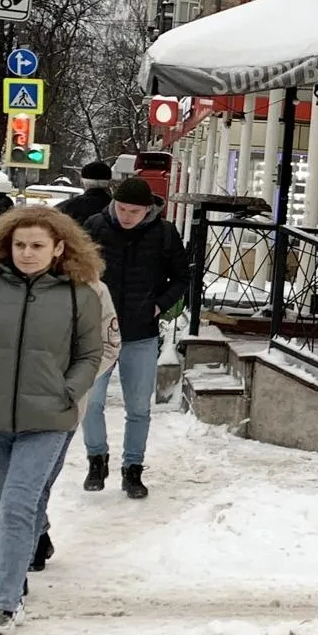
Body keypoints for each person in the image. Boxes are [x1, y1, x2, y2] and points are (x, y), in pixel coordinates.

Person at [0, 206, 105, 635]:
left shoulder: (78, 295)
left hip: (46, 420)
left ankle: (3, 606)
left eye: (37, 246)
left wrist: (68, 392)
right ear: (6, 247)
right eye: (20, 245)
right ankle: (10, 590)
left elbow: (91, 354)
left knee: (18, 507)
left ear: (59, 248)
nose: (27, 254)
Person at [81, 176, 189, 498]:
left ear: (148, 210)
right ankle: (96, 460)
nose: (127, 216)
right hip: (96, 334)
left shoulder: (165, 234)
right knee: (91, 403)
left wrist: (160, 304)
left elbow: (182, 277)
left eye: (134, 211)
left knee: (139, 407)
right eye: (122, 208)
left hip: (140, 334)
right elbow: (73, 270)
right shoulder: (95, 227)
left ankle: (133, 470)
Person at [29, 278, 121, 572]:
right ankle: (36, 533)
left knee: (36, 478)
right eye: (21, 243)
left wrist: (73, 385)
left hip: (61, 402)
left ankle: (28, 547)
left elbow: (109, 345)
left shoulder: (92, 289)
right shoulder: (5, 282)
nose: (29, 252)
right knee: (13, 481)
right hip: (5, 399)